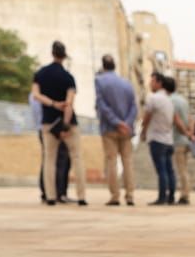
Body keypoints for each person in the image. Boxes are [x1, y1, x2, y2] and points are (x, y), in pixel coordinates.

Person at [31, 41, 87, 207]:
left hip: (48, 121)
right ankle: (81, 195)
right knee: (77, 157)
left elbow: (36, 95)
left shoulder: (40, 74)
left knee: (49, 159)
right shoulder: (68, 77)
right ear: (64, 55)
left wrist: (52, 103)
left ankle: (50, 195)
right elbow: (69, 103)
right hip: (68, 123)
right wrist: (65, 123)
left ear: (52, 53)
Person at [95, 54, 138, 207]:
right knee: (128, 161)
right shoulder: (127, 83)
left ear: (103, 65)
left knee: (111, 161)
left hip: (109, 128)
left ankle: (115, 196)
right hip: (126, 129)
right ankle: (130, 195)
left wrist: (116, 122)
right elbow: (134, 106)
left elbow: (101, 105)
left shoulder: (99, 81)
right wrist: (126, 123)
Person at [140, 71, 177, 206]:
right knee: (169, 169)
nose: (150, 84)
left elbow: (147, 116)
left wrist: (143, 131)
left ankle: (162, 197)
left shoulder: (153, 98)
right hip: (168, 139)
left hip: (157, 138)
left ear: (159, 83)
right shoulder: (170, 101)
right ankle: (171, 196)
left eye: (152, 81)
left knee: (161, 169)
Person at [29, 89, 70, 203]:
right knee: (59, 160)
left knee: (48, 159)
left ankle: (47, 192)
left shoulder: (34, 95)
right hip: (51, 128)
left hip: (42, 128)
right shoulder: (42, 95)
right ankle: (57, 192)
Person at [164, 75, 195, 206]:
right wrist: (191, 133)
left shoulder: (169, 100)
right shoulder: (183, 100)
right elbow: (190, 118)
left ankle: (185, 195)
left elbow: (176, 120)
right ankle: (185, 193)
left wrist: (186, 133)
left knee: (181, 170)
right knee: (184, 169)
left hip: (177, 139)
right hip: (186, 140)